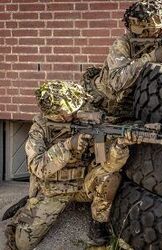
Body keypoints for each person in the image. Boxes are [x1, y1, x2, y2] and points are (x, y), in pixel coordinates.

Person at [4, 81, 138, 250]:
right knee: (22, 243)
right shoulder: (40, 129)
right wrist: (68, 146)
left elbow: (109, 165)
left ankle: (98, 223)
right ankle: (26, 208)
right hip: (53, 191)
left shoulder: (90, 119)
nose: (72, 116)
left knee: (110, 176)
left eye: (74, 111)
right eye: (65, 114)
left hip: (84, 186)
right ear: (52, 114)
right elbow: (37, 167)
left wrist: (121, 145)